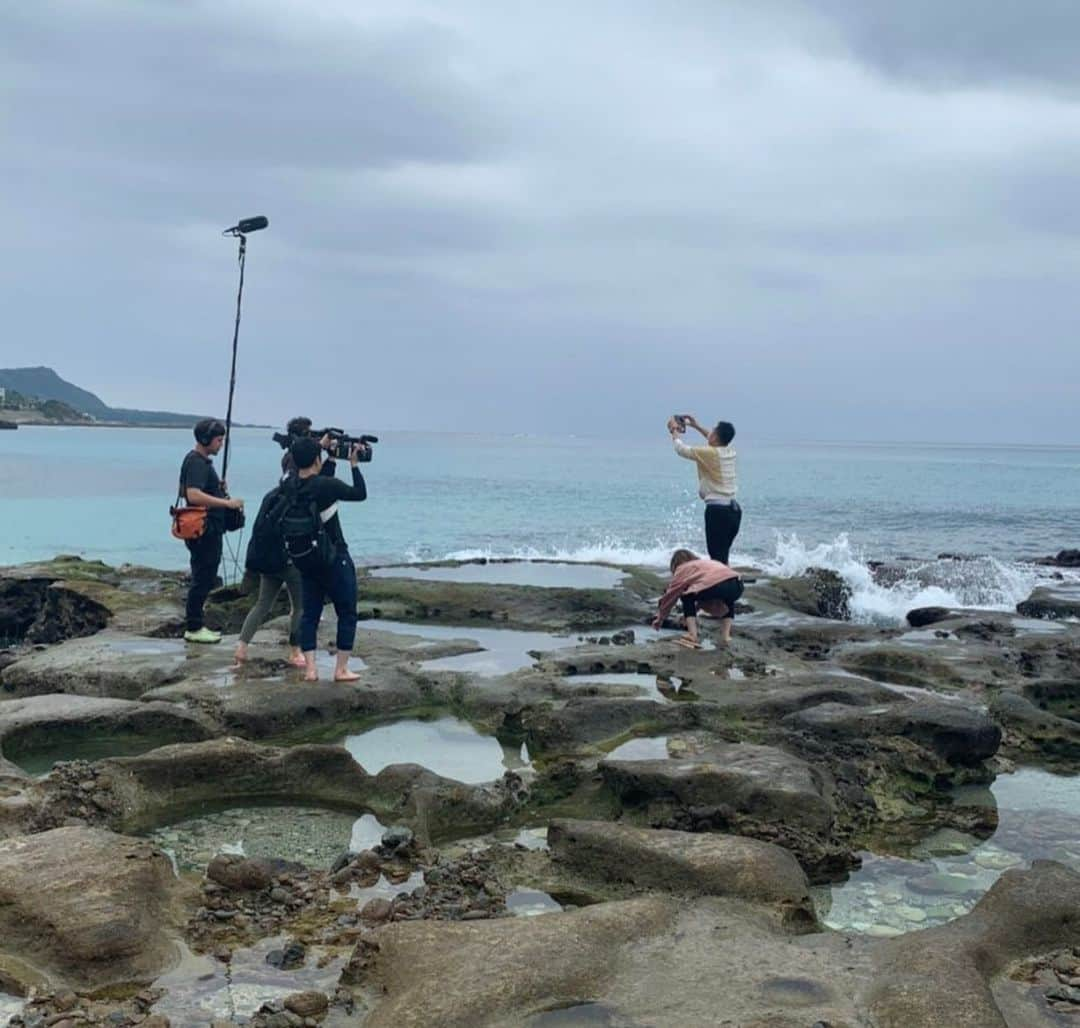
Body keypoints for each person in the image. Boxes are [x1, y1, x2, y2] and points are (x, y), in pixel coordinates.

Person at [287, 435, 369, 682]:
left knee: (309, 613)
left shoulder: (289, 484)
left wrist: (328, 455)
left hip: (305, 557)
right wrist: (354, 463)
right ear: (316, 459)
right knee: (346, 611)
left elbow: (318, 480)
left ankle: (311, 669)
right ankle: (341, 669)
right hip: (334, 555)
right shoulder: (326, 486)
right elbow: (359, 493)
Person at [178, 419, 244, 644]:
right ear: (206, 439)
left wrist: (217, 488)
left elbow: (195, 489)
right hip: (204, 530)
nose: (221, 444)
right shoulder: (197, 463)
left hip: (207, 529)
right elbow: (193, 494)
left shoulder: (200, 462)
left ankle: (196, 624)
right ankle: (194, 627)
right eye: (218, 440)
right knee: (203, 578)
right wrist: (226, 503)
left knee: (204, 576)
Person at [668, 414, 740, 564]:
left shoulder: (709, 453)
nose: (710, 432)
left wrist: (674, 430)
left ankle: (721, 585)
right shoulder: (729, 450)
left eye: (713, 430)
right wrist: (695, 425)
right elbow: (713, 438)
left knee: (716, 557)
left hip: (717, 512)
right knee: (722, 555)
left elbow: (681, 449)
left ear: (716, 437)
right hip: (734, 512)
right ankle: (727, 582)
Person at [651, 548, 743, 648]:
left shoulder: (682, 568)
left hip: (717, 584)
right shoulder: (704, 563)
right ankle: (726, 636)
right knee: (728, 599)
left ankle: (692, 635)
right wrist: (691, 612)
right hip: (737, 584)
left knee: (686, 595)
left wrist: (660, 618)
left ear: (675, 564)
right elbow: (704, 593)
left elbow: (671, 595)